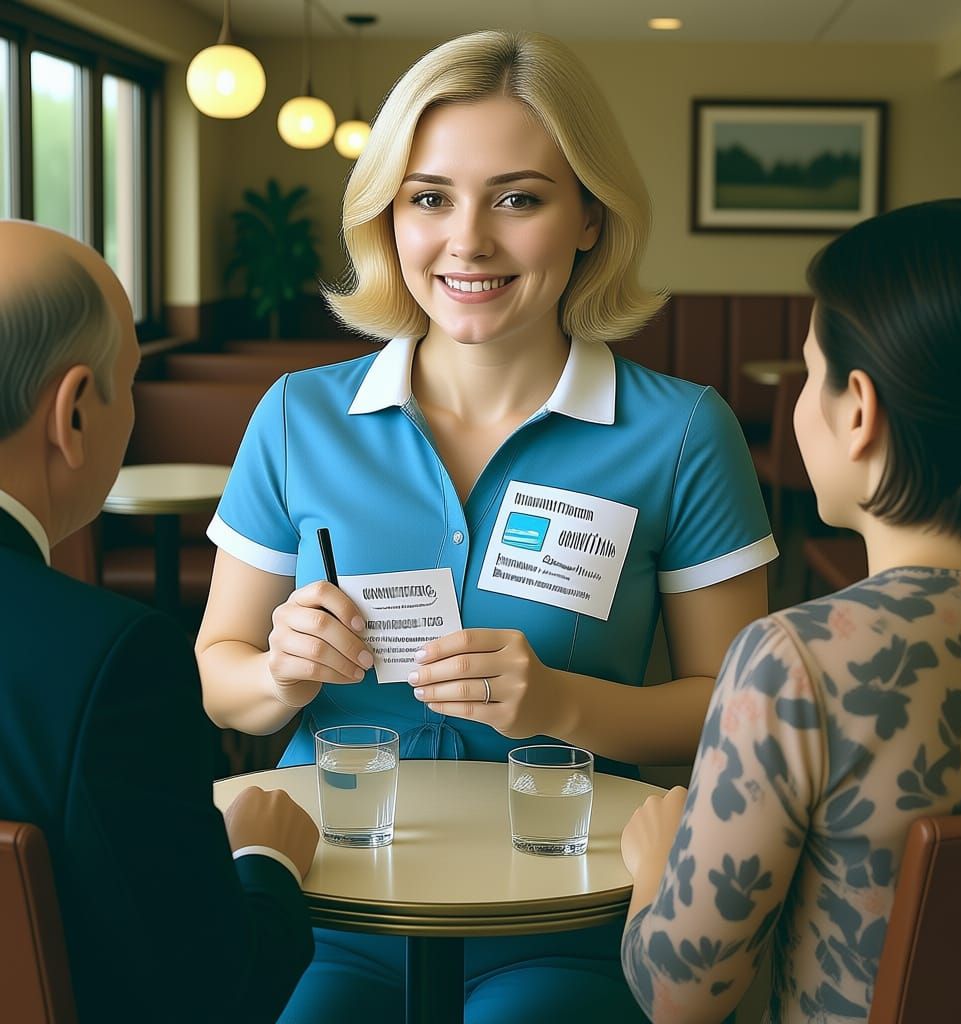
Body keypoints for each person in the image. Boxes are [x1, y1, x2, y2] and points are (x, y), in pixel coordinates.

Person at [195, 30, 777, 1023]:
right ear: (389, 215)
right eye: (429, 197)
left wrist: (558, 701)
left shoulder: (680, 432)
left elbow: (728, 711)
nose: (467, 240)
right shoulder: (298, 417)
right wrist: (280, 673)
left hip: (569, 904)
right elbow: (220, 677)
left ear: (590, 216)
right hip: (326, 902)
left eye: (518, 197)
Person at [619, 198, 961, 1024]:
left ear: (860, 411)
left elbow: (680, 994)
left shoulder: (802, 663)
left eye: (811, 371)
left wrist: (654, 872)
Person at [0, 220, 321, 1023]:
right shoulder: (110, 665)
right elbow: (214, 996)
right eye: (131, 379)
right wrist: (265, 859)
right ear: (74, 412)